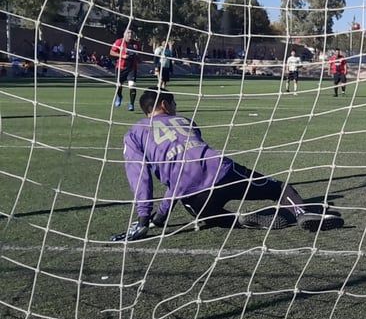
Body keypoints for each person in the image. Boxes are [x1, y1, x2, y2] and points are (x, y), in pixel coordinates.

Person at [111, 88, 342, 241]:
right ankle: (302, 213)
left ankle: (237, 220)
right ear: (164, 104)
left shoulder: (134, 133)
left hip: (192, 194)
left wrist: (149, 218)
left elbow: (141, 174)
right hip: (221, 170)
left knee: (205, 217)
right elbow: (191, 160)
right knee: (280, 189)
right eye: (174, 102)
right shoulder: (186, 121)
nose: (176, 107)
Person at [110, 27, 142, 111]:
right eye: (128, 33)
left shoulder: (136, 43)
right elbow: (112, 52)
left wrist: (138, 58)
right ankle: (119, 96)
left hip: (132, 68)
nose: (130, 35)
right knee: (118, 85)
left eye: (131, 33)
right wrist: (122, 56)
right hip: (121, 67)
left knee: (132, 85)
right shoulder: (119, 42)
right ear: (124, 34)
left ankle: (131, 104)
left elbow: (139, 53)